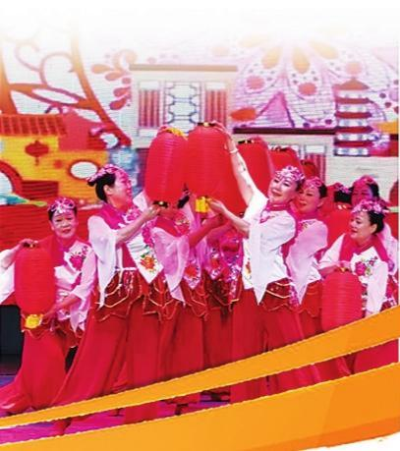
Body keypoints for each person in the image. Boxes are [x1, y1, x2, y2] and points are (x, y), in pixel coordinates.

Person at [209, 128, 321, 401]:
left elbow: (249, 231)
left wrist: (225, 212)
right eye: (276, 180)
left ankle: (303, 404)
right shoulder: (259, 204)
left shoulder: (287, 221)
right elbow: (243, 175)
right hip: (248, 288)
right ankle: (246, 406)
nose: (277, 186)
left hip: (273, 291)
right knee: (245, 353)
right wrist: (231, 147)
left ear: (295, 194)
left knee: (287, 352)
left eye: (286, 184)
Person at [53, 164, 162, 432]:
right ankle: (66, 413)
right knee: (96, 357)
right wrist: (143, 219)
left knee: (146, 357)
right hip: (114, 295)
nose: (129, 186)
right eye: (123, 182)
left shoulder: (137, 210)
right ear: (108, 189)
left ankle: (142, 419)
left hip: (144, 291)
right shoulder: (97, 221)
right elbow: (115, 240)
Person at [0, 197, 96, 414]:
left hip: (69, 313)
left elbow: (85, 287)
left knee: (44, 363)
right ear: (51, 225)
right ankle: (52, 402)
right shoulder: (39, 248)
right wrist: (18, 250)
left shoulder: (88, 251)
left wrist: (58, 308)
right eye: (59, 220)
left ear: (77, 220)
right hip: (39, 316)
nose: (65, 224)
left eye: (69, 218)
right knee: (49, 360)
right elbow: (8, 267)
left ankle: (22, 399)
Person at [151, 194, 223, 413]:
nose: (172, 205)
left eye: (175, 200)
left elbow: (201, 243)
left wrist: (218, 224)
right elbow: (179, 248)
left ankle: (186, 392)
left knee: (190, 339)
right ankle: (154, 388)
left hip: (192, 284)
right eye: (165, 202)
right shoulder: (154, 228)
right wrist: (208, 226)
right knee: (166, 341)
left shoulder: (184, 219)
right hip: (170, 288)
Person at [319, 199, 398, 373]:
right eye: (352, 220)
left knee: (367, 366)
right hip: (343, 311)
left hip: (372, 316)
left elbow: (375, 300)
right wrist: (337, 267)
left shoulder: (380, 256)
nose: (353, 225)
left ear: (373, 228)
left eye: (358, 222)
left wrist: (365, 330)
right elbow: (322, 268)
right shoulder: (344, 240)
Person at [287, 177, 350, 379]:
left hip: (307, 287)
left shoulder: (317, 227)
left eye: (309, 194)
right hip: (291, 285)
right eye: (301, 192)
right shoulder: (290, 220)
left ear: (321, 201)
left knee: (307, 338)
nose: (302, 197)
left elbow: (293, 254)